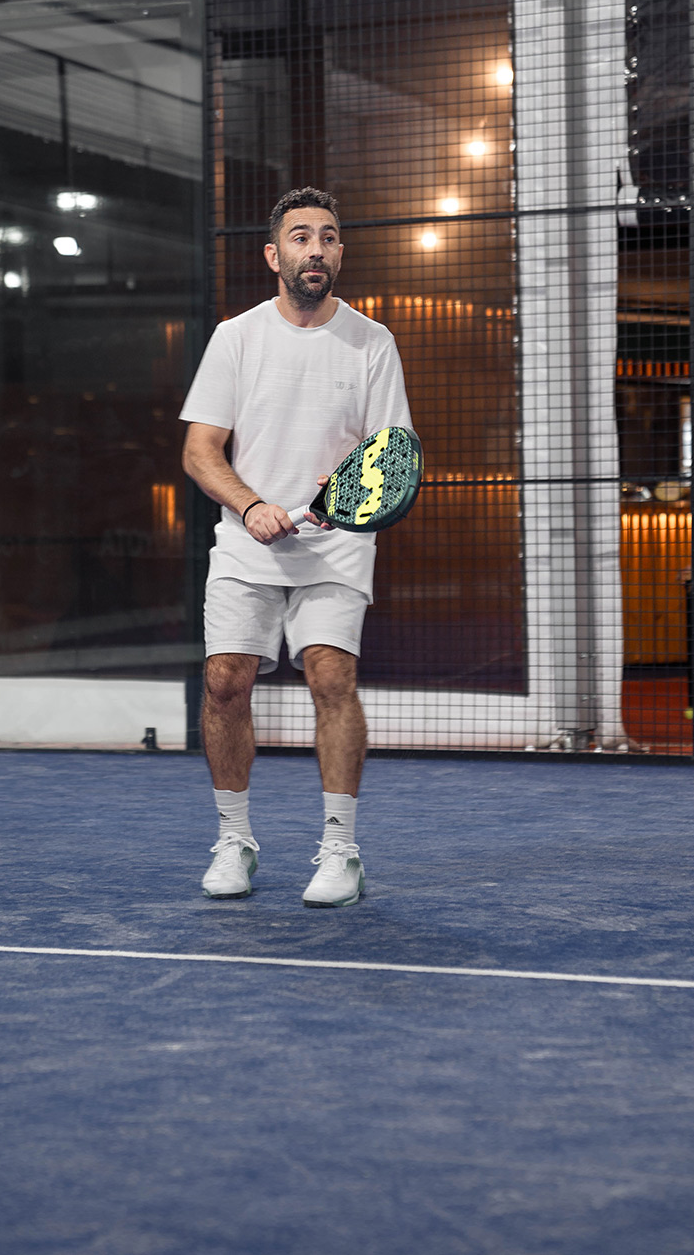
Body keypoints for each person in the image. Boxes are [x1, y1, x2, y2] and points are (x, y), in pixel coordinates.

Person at [180, 187, 411, 907]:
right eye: (302, 236)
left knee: (330, 677)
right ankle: (234, 841)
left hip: (335, 543)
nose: (317, 249)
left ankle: (341, 852)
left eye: (330, 237)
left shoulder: (373, 342)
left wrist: (351, 488)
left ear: (340, 253)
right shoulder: (235, 337)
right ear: (273, 254)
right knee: (225, 681)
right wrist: (250, 505)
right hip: (246, 539)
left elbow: (392, 453)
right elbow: (200, 450)